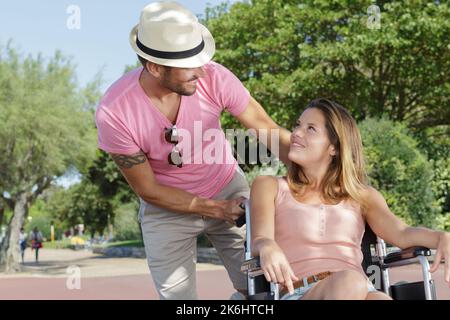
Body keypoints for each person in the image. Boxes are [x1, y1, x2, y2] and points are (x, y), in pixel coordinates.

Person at [95, 2, 291, 300]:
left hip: (227, 186)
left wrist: (328, 175)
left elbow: (268, 129)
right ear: (155, 67)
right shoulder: (114, 112)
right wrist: (215, 210)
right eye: (190, 64)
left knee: (259, 289)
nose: (202, 71)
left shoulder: (215, 78)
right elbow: (148, 189)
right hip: (166, 206)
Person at [250, 98, 450, 300]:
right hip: (300, 292)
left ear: (334, 148)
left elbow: (402, 233)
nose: (296, 133)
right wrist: (267, 245)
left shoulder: (362, 196)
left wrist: (441, 237)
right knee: (350, 281)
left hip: (360, 290)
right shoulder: (269, 186)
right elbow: (260, 239)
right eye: (298, 125)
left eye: (311, 129)